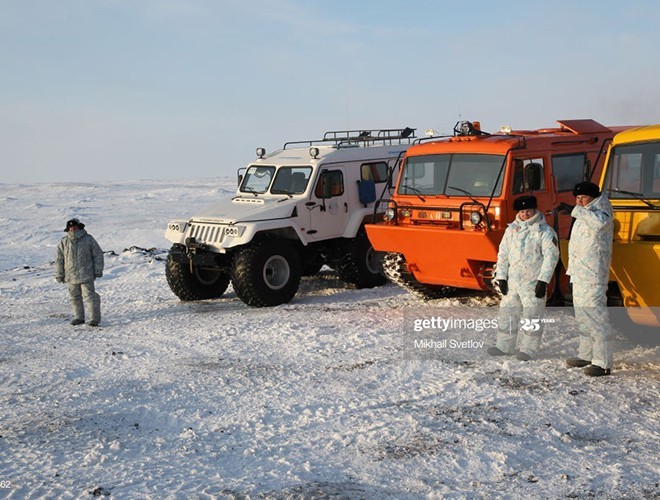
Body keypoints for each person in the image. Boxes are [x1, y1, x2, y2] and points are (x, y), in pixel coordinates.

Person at [488, 195, 559, 361]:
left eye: (528, 211)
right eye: (522, 211)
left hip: (533, 283)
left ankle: (529, 349)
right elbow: (503, 254)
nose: (525, 214)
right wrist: (502, 277)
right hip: (512, 282)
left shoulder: (545, 232)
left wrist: (543, 280)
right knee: (508, 314)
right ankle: (504, 346)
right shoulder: (511, 230)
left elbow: (551, 257)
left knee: (532, 316)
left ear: (535, 210)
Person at [557, 181, 614, 376]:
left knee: (596, 316)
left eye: (584, 198)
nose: (580, 202)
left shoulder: (602, 212)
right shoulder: (585, 212)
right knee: (583, 316)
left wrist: (575, 210)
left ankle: (602, 361)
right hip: (580, 272)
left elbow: (599, 224)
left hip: (593, 274)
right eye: (577, 199)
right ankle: (586, 354)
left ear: (594, 197)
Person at [54, 219, 104, 326]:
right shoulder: (64, 242)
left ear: (79, 227)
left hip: (86, 274)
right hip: (71, 276)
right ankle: (79, 317)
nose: (72, 229)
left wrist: (98, 269)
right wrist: (59, 273)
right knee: (74, 298)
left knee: (90, 297)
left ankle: (94, 319)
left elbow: (98, 254)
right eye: (70, 228)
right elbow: (59, 259)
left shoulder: (88, 239)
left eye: (74, 227)